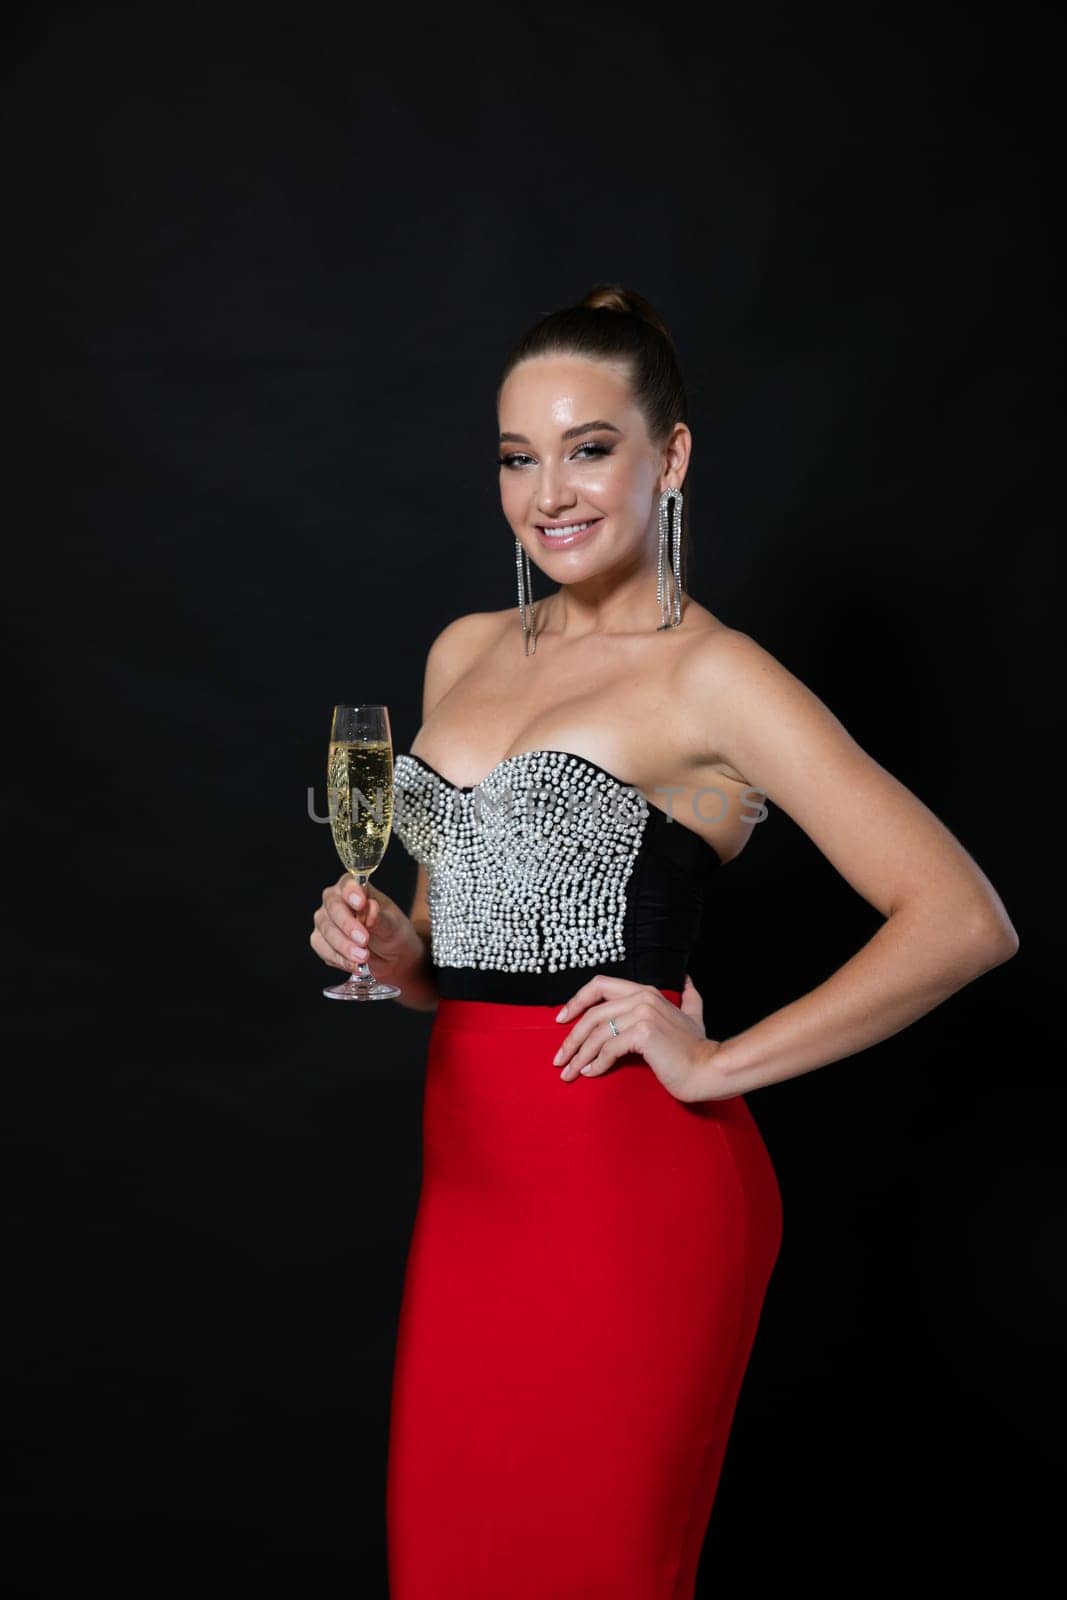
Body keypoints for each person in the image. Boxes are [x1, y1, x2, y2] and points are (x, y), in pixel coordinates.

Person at [309, 283, 1019, 1598]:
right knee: (448, 1571)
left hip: (631, 1197)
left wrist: (716, 1060)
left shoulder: (712, 676)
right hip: (469, 1196)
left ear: (670, 457)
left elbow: (963, 918)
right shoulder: (463, 651)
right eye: (520, 456)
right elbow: (454, 929)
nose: (550, 490)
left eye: (591, 447)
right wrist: (396, 953)